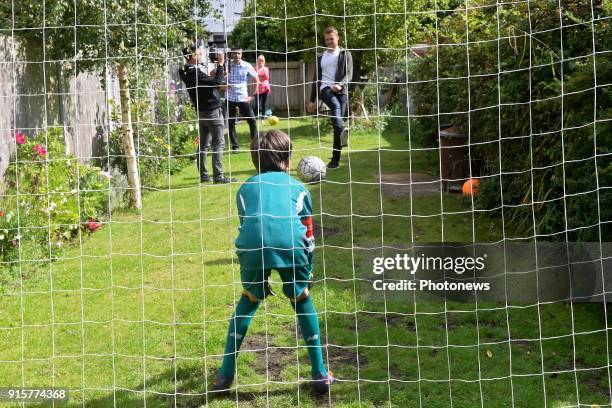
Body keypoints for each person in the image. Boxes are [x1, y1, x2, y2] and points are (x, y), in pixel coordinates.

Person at [212, 130, 335, 394]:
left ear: (256, 162)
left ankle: (224, 375)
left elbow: (247, 225)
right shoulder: (300, 189)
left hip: (252, 246)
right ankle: (320, 373)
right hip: (291, 245)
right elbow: (309, 234)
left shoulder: (245, 189)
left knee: (248, 300)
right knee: (302, 299)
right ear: (288, 160)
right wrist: (308, 269)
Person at [179, 44, 236, 184]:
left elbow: (208, 83)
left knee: (203, 146)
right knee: (218, 144)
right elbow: (217, 83)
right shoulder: (195, 73)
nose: (202, 55)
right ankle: (218, 176)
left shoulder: (184, 71)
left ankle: (204, 176)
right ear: (192, 57)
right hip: (212, 113)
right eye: (199, 53)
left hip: (202, 113)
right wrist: (221, 64)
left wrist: (215, 74)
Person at [307, 26, 353, 170]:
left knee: (337, 128)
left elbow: (349, 74)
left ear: (337, 38)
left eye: (331, 39)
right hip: (325, 89)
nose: (329, 42)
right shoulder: (321, 56)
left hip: (342, 91)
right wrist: (312, 100)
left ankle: (335, 161)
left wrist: (340, 84)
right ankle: (343, 130)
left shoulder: (345, 54)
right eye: (327, 40)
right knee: (336, 109)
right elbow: (316, 79)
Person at [226, 47, 259, 151]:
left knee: (252, 121)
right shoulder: (227, 65)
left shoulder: (246, 65)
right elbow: (214, 74)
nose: (237, 56)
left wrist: (253, 95)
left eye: (239, 53)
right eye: (234, 53)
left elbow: (256, 79)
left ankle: (255, 145)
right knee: (230, 123)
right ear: (231, 54)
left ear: (242, 54)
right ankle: (235, 146)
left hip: (243, 98)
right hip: (230, 97)